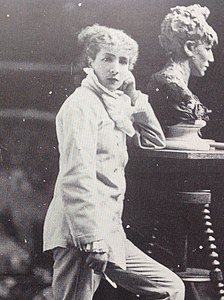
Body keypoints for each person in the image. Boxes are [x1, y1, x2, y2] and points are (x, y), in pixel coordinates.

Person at [43, 24, 185, 300]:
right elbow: (77, 177)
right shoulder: (81, 105)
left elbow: (155, 141)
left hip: (109, 229)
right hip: (80, 233)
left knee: (170, 288)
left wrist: (134, 96)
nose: (115, 69)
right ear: (90, 62)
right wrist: (91, 239)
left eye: (123, 61)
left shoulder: (115, 104)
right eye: (107, 58)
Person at [148, 4, 218, 133]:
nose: (211, 58)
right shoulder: (169, 83)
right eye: (207, 49)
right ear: (189, 48)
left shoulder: (172, 82)